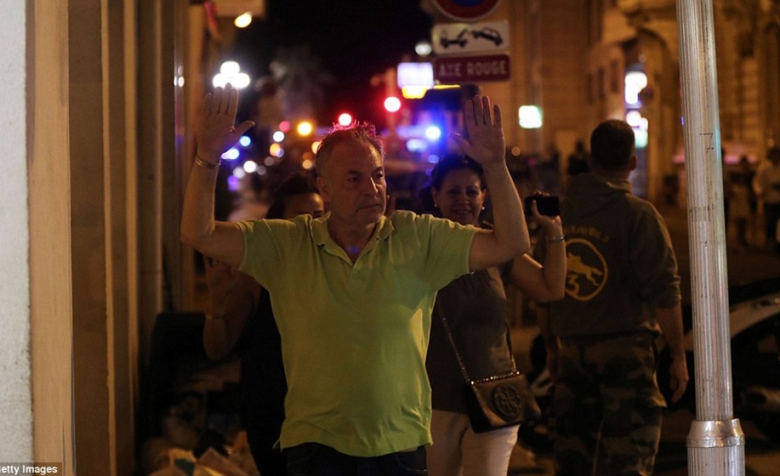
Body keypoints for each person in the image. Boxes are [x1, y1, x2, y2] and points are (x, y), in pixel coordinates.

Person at [180, 86, 530, 475]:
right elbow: (200, 234)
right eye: (354, 178)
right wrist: (206, 159)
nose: (373, 188)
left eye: (377, 175)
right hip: (316, 447)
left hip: (399, 446)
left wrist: (495, 166)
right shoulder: (287, 243)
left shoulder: (417, 237)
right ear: (324, 189)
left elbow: (511, 242)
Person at [536, 119, 689, 476]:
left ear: (590, 160)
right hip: (626, 352)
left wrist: (552, 348)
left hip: (573, 351)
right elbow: (665, 292)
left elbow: (543, 289)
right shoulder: (638, 215)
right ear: (632, 162)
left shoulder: (559, 215)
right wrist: (677, 355)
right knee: (627, 458)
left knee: (574, 459)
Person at [423, 154, 566, 476]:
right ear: (436, 196)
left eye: (472, 191)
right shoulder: (421, 244)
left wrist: (554, 231)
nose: (463, 200)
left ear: (485, 196)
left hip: (496, 398)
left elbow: (550, 288)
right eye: (453, 191)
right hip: (434, 403)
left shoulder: (498, 246)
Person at [202, 173, 325, 476]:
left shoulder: (336, 269)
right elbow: (217, 348)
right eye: (301, 217)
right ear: (278, 222)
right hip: (272, 408)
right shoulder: (258, 274)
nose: (311, 225)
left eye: (319, 216)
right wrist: (217, 302)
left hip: (326, 412)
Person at [753, 146, 780, 253]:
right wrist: (760, 192)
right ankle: (770, 242)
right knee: (770, 222)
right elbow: (757, 182)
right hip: (770, 200)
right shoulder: (765, 168)